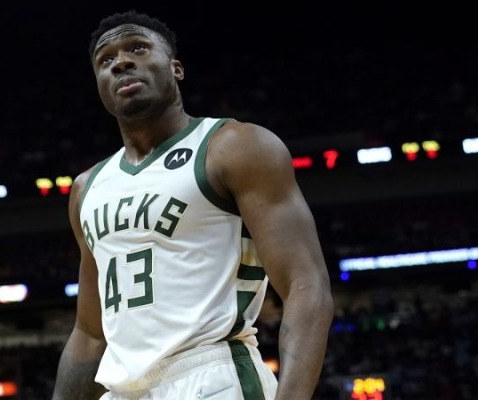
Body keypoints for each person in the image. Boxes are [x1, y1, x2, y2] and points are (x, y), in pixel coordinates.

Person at [52, 9, 334, 400]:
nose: (121, 62)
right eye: (106, 60)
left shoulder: (234, 146)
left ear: (176, 69)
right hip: (123, 390)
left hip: (210, 374)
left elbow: (307, 285)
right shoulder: (87, 187)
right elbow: (90, 332)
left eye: (137, 48)